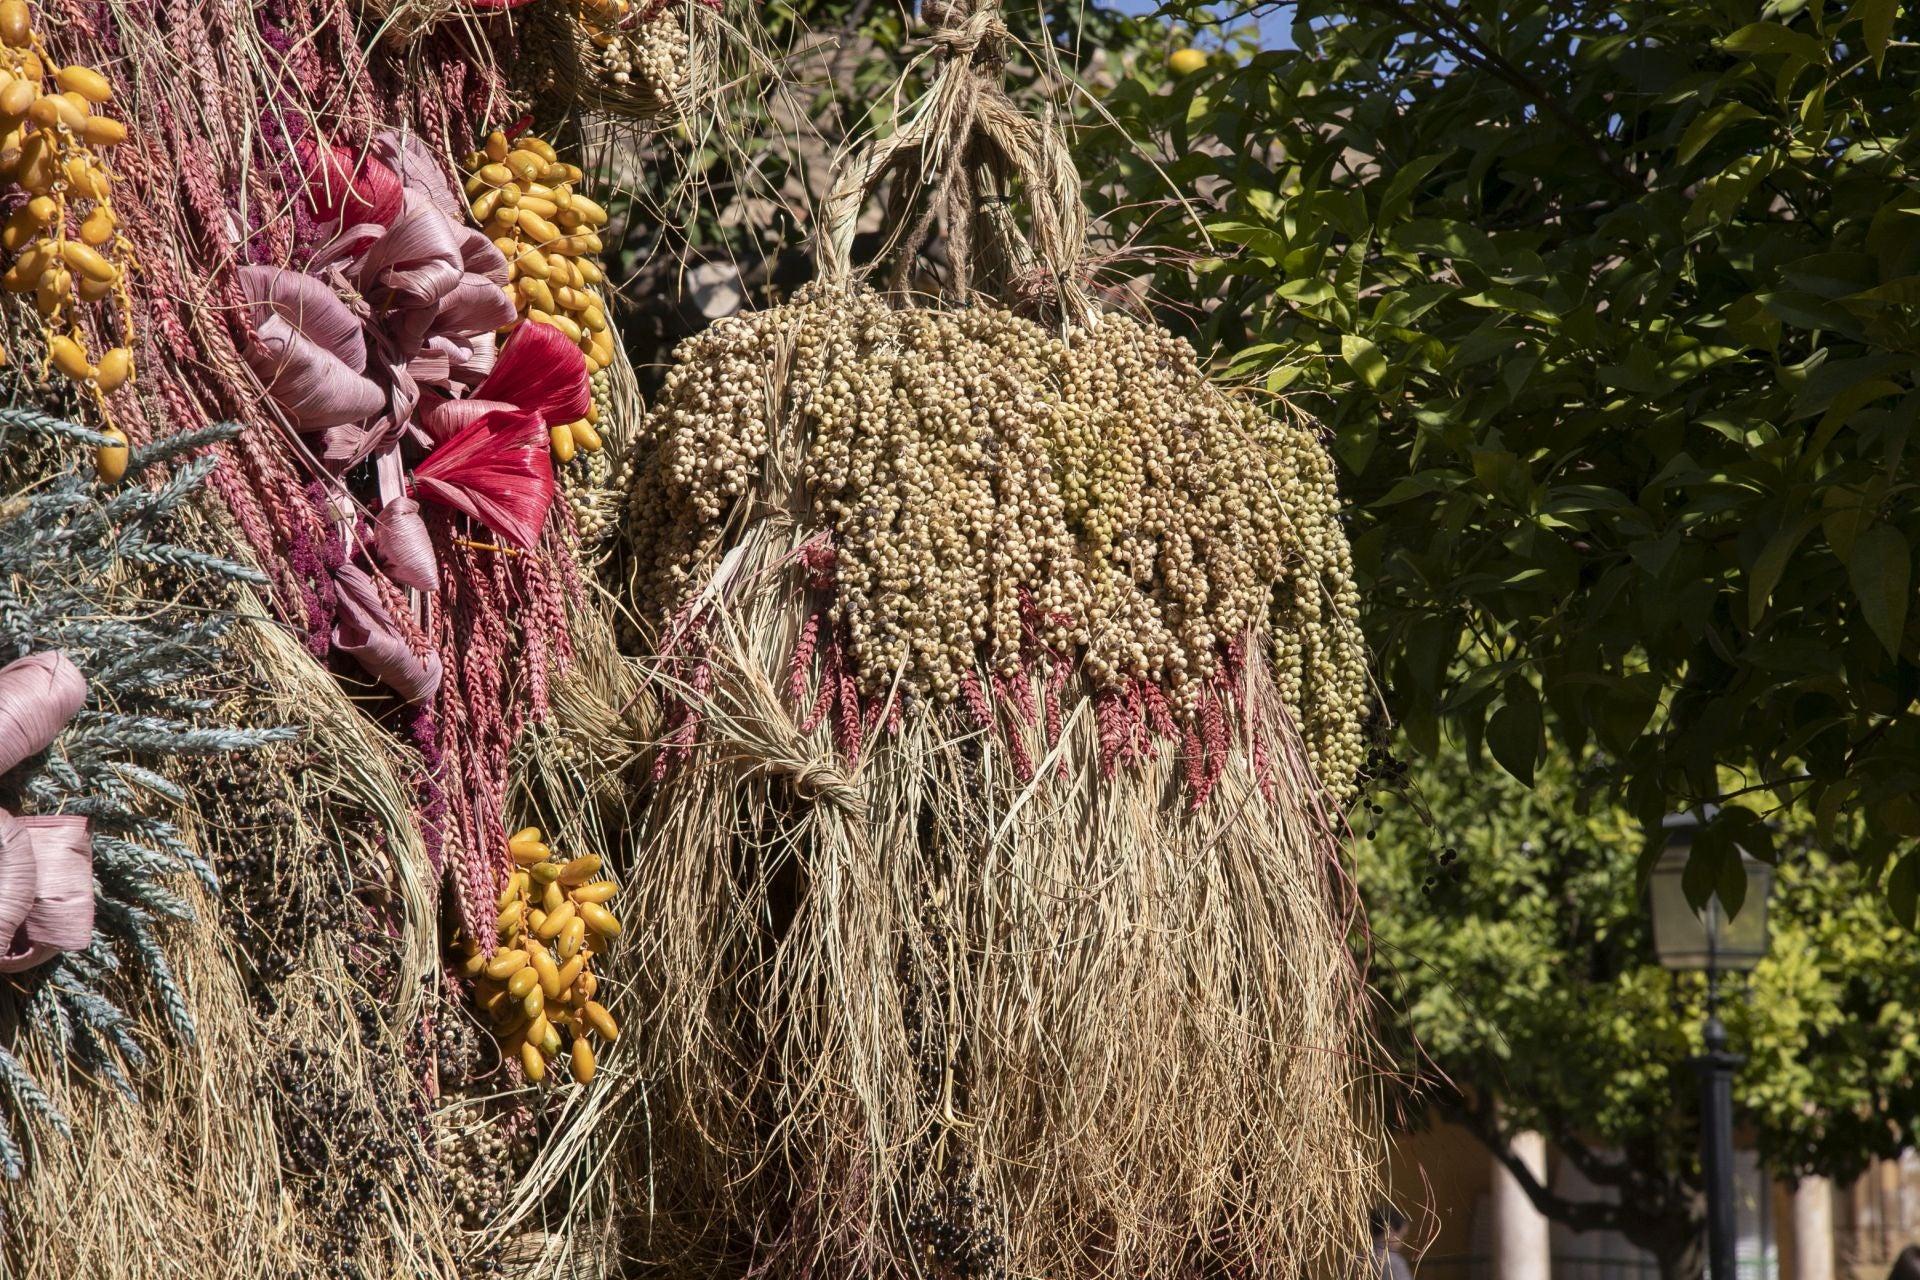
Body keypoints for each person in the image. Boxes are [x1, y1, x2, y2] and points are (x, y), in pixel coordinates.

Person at [1371, 1203, 1414, 1280]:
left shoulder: (1356, 1257)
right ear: (1389, 1229)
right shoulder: (1393, 1262)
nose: (1402, 1243)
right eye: (1402, 1236)